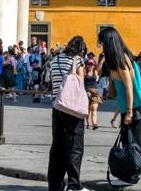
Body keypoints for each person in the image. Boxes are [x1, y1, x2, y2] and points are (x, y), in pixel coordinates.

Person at [98, 26, 141, 187]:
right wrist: (118, 113)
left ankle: (133, 174)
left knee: (132, 143)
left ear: (109, 42)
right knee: (129, 141)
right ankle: (132, 172)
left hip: (134, 107)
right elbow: (118, 94)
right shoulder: (118, 60)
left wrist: (130, 112)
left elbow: (129, 88)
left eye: (102, 42)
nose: (101, 46)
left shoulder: (122, 61)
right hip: (128, 107)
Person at [46, 35, 86, 191]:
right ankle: (74, 185)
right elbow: (80, 85)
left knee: (58, 146)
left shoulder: (54, 60)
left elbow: (53, 81)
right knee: (75, 146)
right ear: (81, 49)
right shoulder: (77, 60)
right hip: (72, 108)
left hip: (57, 106)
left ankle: (55, 184)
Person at [84, 54, 102, 130]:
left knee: (94, 109)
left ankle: (94, 124)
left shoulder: (95, 72)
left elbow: (100, 64)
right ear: (86, 65)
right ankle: (88, 124)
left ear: (94, 65)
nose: (90, 66)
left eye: (91, 64)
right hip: (86, 92)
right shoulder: (84, 73)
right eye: (89, 64)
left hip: (94, 92)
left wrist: (103, 57)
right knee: (88, 109)